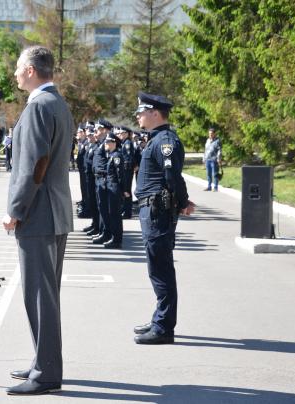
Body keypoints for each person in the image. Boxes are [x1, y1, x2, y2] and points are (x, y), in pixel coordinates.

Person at [2, 46, 73, 396]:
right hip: (55, 211)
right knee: (46, 293)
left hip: (39, 213)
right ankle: (43, 361)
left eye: (18, 68)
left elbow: (34, 164)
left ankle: (46, 373)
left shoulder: (38, 107)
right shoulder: (57, 103)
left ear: (31, 70)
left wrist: (15, 209)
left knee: (39, 295)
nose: (15, 74)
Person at [133, 91, 195, 345]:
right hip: (152, 211)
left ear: (154, 113)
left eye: (141, 112)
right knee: (156, 268)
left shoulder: (165, 141)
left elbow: (172, 178)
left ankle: (163, 327)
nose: (138, 116)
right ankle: (160, 318)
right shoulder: (156, 139)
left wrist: (183, 202)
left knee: (161, 270)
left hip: (158, 212)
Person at [91, 118, 112, 245]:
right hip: (98, 178)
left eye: (97, 129)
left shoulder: (108, 143)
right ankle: (103, 231)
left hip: (103, 179)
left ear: (104, 130)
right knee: (101, 208)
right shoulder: (102, 142)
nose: (95, 132)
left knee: (105, 209)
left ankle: (107, 233)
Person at [103, 132, 125, 248]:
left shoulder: (116, 156)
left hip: (115, 188)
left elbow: (120, 175)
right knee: (113, 214)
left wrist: (123, 190)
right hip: (111, 187)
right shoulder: (112, 155)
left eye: (108, 142)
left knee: (115, 215)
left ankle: (117, 240)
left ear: (114, 143)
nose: (105, 143)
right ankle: (115, 238)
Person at [75, 126, 89, 218]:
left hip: (86, 171)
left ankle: (88, 209)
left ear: (83, 133)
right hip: (82, 170)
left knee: (87, 191)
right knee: (84, 190)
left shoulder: (87, 143)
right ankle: (85, 204)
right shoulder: (82, 143)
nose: (77, 134)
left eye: (79, 132)